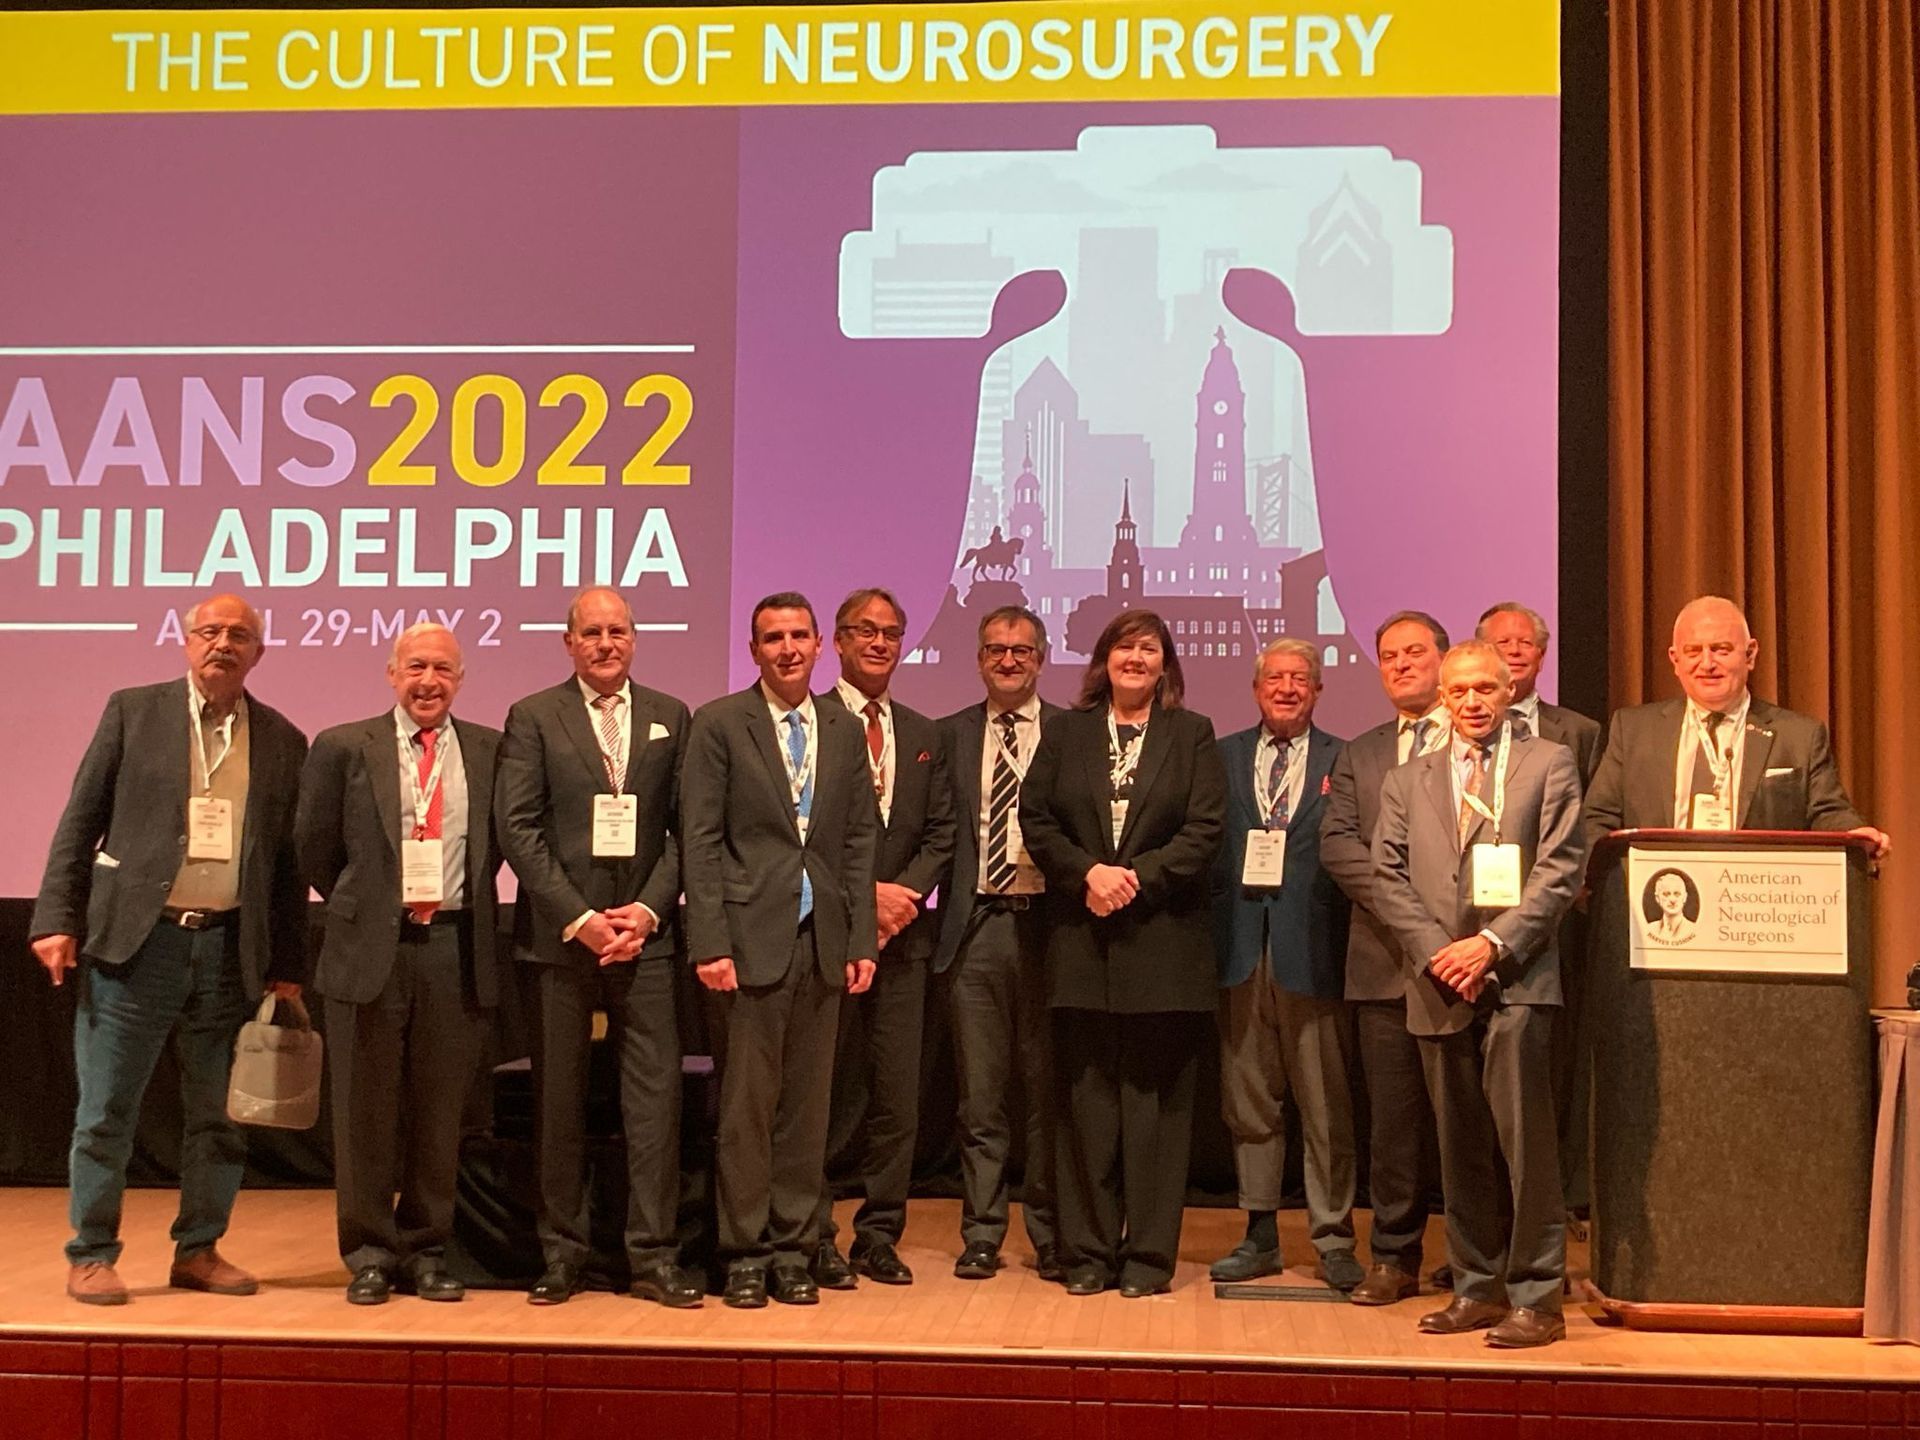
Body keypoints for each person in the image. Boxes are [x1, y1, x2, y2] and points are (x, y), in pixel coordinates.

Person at [30, 594, 307, 1306]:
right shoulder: (134, 710)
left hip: (229, 951)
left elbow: (284, 866)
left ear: (259, 654)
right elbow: (79, 820)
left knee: (219, 1116)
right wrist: (54, 919)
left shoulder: (281, 736)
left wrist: (286, 968)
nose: (222, 644)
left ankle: (200, 1249)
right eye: (209, 631)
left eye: (238, 635)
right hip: (135, 945)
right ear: (185, 642)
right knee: (106, 1111)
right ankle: (91, 1252)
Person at [1370, 640, 1586, 1349]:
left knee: (1526, 1148)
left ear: (1509, 691)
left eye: (1485, 690)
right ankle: (1475, 1286)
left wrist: (1491, 946)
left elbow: (1559, 870)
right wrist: (1440, 953)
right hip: (1437, 983)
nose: (1471, 702)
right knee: (1457, 1145)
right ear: (1442, 697)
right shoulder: (1408, 780)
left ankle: (1537, 1297)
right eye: (1459, 690)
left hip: (1518, 980)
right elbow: (1386, 879)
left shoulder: (1548, 763)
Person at [495, 587, 699, 1309]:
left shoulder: (672, 717)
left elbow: (687, 831)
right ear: (568, 641)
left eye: (618, 631)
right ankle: (562, 1255)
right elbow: (518, 829)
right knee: (559, 1105)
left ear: (635, 639)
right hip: (561, 944)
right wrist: (579, 917)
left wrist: (646, 912)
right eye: (592, 632)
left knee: (654, 1106)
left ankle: (653, 1256)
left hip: (646, 943)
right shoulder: (534, 716)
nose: (606, 643)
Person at [1019, 609, 1225, 1298]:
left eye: (1148, 648)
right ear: (1102, 660)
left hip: (1163, 948)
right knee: (1086, 1110)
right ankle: (1088, 1255)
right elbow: (1036, 818)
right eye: (1123, 647)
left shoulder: (1191, 735)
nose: (1135, 658)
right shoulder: (1067, 731)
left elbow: (1204, 830)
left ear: (1165, 663)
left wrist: (1136, 879)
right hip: (1081, 945)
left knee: (1158, 1116)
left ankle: (1147, 1261)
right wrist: (1087, 876)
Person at [296, 623, 503, 1305]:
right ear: (391, 673)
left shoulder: (489, 750)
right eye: (416, 666)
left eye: (444, 669)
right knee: (364, 1112)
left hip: (453, 946)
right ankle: (369, 1253)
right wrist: (369, 905)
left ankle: (426, 1249)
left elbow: (494, 848)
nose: (429, 681)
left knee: (440, 1111)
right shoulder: (342, 747)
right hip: (368, 947)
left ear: (460, 679)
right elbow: (314, 848)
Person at [682, 592, 878, 1309]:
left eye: (799, 635)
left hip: (821, 940)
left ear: (821, 644)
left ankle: (795, 1248)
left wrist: (860, 938)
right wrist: (709, 939)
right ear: (754, 649)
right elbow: (699, 841)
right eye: (773, 638)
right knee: (745, 1109)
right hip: (745, 941)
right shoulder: (720, 724)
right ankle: (743, 1253)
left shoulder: (841, 727)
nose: (788, 648)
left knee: (806, 1110)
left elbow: (858, 843)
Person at [809, 588, 955, 1289]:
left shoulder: (927, 733)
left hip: (905, 940)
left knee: (898, 1100)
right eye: (864, 631)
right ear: (836, 641)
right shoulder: (808, 722)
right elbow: (800, 831)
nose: (879, 643)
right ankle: (814, 1232)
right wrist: (862, 897)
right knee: (826, 1094)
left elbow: (943, 833)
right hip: (827, 937)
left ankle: (879, 1234)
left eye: (891, 633)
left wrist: (901, 897)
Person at [1209, 639, 1362, 1292]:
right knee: (1250, 1102)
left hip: (1315, 951)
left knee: (1325, 1107)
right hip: (1241, 949)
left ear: (1319, 691)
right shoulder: (1221, 757)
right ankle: (1260, 1234)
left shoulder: (1344, 759)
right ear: (1256, 687)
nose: (1289, 687)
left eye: (1302, 678)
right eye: (1276, 677)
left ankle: (1332, 1239)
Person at [1317, 610, 1451, 1306]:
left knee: (1467, 1120)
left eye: (1415, 653)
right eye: (1389, 656)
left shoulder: (1480, 742)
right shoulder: (1360, 752)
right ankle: (1393, 1258)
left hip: (1462, 963)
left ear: (1446, 660)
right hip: (1380, 965)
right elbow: (1338, 844)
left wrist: (1442, 926)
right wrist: (1407, 909)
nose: (1401, 665)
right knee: (1393, 1124)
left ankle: (1473, 1256)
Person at [934, 606, 1064, 1282]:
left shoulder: (1073, 732)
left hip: (1050, 931)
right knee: (980, 1098)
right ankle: (982, 1232)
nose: (1008, 660)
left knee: (1047, 1095)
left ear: (1041, 658)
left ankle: (1048, 1233)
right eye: (995, 649)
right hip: (976, 926)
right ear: (979, 659)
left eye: (1020, 650)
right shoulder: (949, 734)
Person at [1582, 595, 1890, 857]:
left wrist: (1856, 835)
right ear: (1675, 660)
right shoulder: (1634, 730)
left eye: (1721, 649)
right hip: (1659, 898)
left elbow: (1827, 812)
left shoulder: (1798, 736)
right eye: (1693, 651)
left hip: (1755, 905)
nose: (1707, 664)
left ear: (1750, 654)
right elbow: (1598, 819)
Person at [1475, 601, 1604, 1224]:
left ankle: (1551, 1219)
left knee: (1546, 1079)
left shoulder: (1576, 733)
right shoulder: (1454, 732)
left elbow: (1591, 823)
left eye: (1526, 642)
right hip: (1468, 933)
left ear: (1542, 654)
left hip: (1552, 926)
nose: (1515, 649)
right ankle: (1489, 1233)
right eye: (1502, 641)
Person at [1641, 868, 1699, 945]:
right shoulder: (1649, 929)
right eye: (1666, 894)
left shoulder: (1694, 930)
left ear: (1684, 897)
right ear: (1657, 898)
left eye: (1677, 894)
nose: (1672, 900)